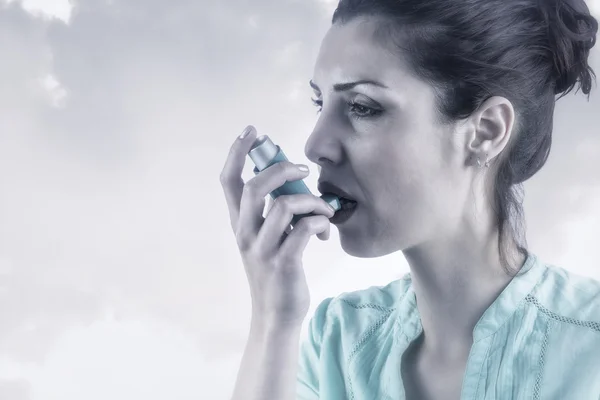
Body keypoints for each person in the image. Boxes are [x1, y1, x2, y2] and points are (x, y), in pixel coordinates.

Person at [220, 0, 600, 399]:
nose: (315, 146)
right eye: (320, 103)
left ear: (486, 131)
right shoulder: (337, 342)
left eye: (362, 107)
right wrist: (272, 317)